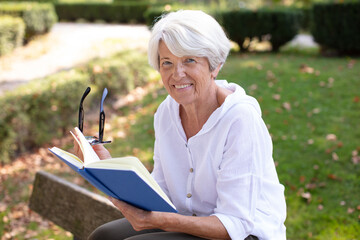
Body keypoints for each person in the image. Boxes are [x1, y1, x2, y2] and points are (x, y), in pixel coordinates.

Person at [85, 10, 286, 240]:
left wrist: (161, 221)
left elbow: (235, 225)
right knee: (103, 236)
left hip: (243, 234)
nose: (177, 74)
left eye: (189, 60)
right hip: (188, 219)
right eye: (167, 63)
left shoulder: (240, 120)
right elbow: (161, 191)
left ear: (215, 65)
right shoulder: (166, 113)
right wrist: (109, 172)